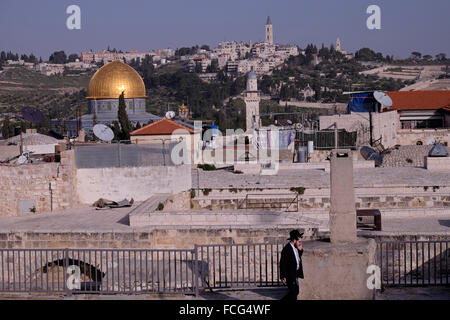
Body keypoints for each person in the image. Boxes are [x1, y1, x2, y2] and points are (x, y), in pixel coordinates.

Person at [280, 229, 304, 301]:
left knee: (295, 291)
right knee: (294, 292)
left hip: (295, 273)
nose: (300, 243)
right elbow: (282, 263)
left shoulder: (295, 247)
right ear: (294, 240)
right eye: (299, 241)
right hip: (289, 274)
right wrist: (283, 276)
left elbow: (297, 257)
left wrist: (300, 250)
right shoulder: (286, 249)